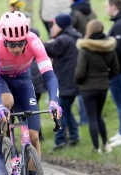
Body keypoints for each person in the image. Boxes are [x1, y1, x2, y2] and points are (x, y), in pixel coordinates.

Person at [0, 11, 62, 175]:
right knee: (6, 104)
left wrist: (54, 101)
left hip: (23, 81)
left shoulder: (34, 41)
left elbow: (49, 75)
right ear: (4, 39)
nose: (18, 48)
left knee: (34, 136)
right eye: (12, 44)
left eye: (21, 43)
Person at [75, 19, 119, 153]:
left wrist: (78, 81)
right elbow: (115, 69)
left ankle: (96, 148)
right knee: (99, 116)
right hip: (103, 87)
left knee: (92, 117)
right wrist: (105, 78)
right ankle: (106, 144)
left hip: (87, 88)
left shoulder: (85, 49)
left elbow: (80, 71)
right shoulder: (109, 47)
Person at [44, 14, 81, 149]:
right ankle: (74, 136)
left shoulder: (63, 39)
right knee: (66, 109)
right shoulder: (75, 36)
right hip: (74, 81)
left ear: (60, 25)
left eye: (54, 24)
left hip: (65, 81)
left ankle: (59, 140)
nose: (52, 27)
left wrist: (37, 42)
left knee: (59, 111)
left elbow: (49, 49)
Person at [106, 0, 121, 147]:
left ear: (113, 7)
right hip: (120, 70)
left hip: (119, 71)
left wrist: (112, 68)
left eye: (107, 6)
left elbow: (119, 51)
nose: (106, 9)